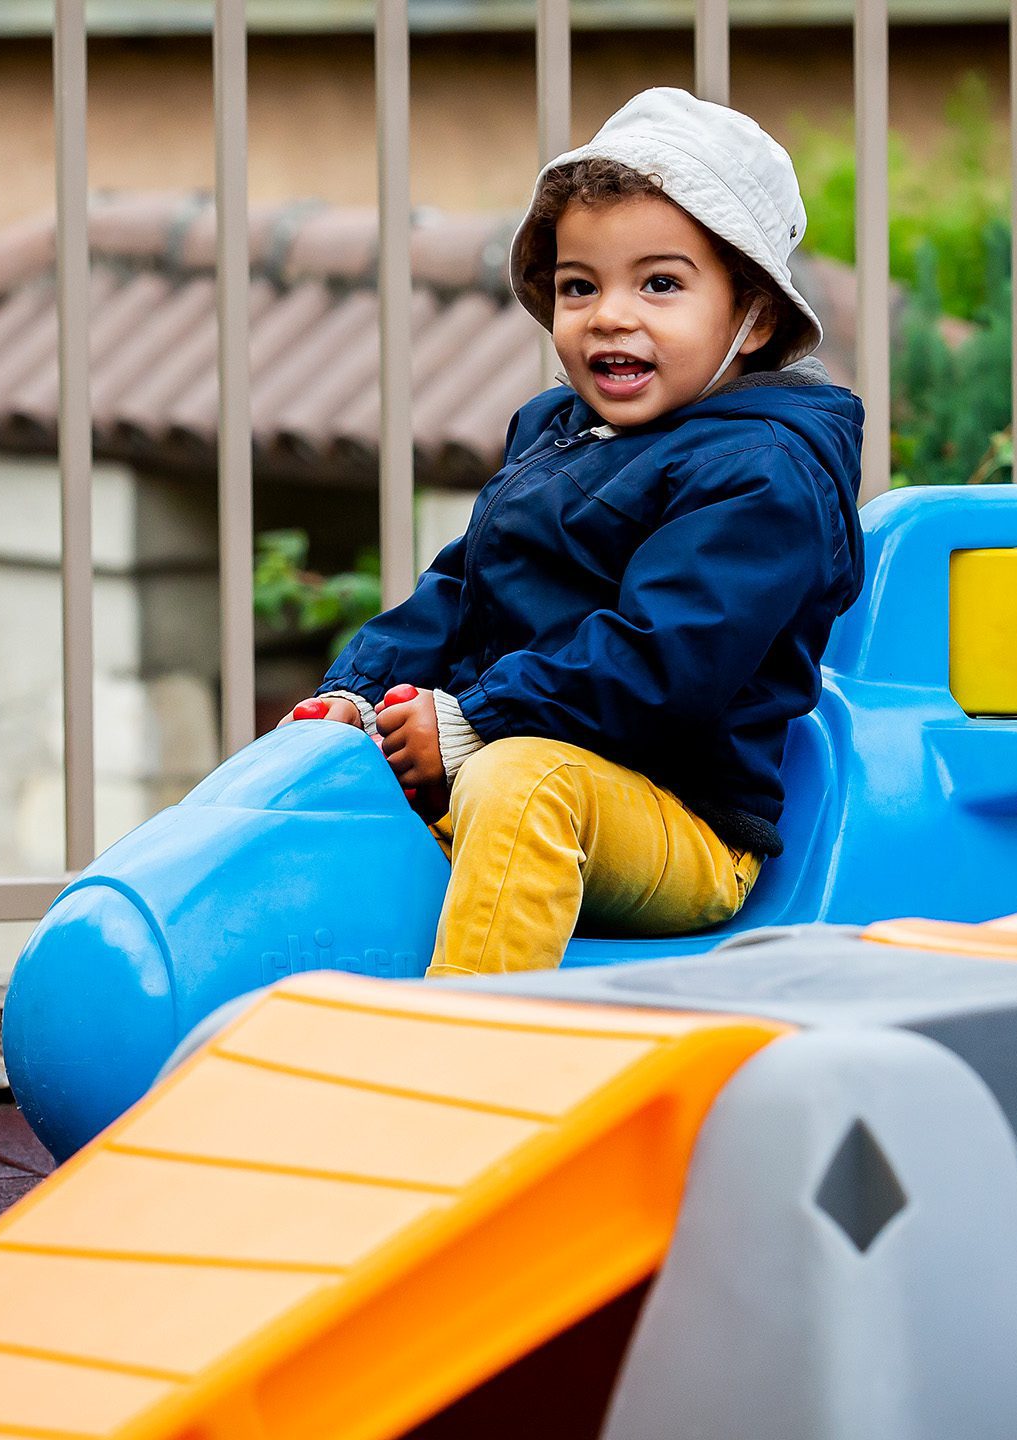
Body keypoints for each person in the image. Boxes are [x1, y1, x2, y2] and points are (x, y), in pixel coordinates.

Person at [284, 87, 864, 976]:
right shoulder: (560, 434)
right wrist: (362, 693)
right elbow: (459, 589)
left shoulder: (763, 472)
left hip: (681, 821)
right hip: (517, 758)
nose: (610, 315)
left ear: (757, 317)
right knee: (339, 772)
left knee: (525, 782)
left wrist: (476, 718)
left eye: (660, 284)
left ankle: (461, 1049)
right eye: (578, 287)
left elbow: (664, 661)